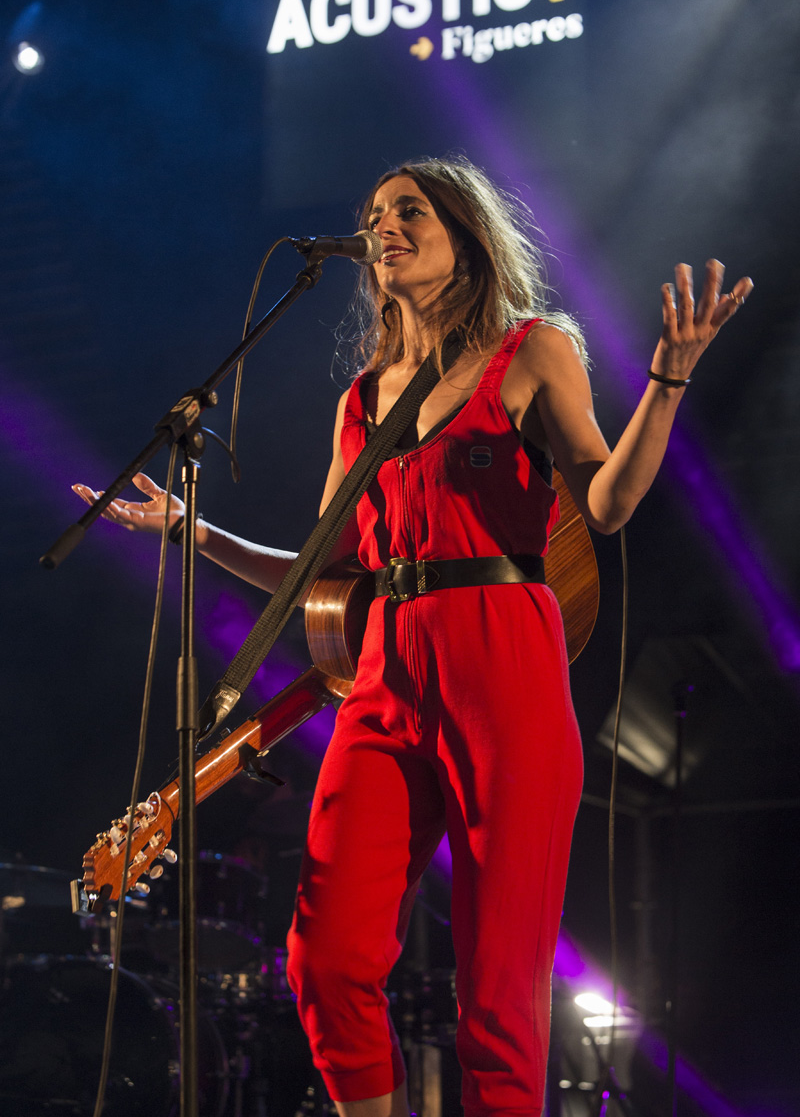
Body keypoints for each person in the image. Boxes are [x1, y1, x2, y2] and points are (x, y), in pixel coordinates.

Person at [73, 156, 752, 1117]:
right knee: (324, 958)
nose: (384, 225)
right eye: (375, 214)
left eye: (409, 210)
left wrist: (667, 382)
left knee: (499, 994)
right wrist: (192, 530)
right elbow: (317, 568)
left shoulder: (533, 350)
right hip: (385, 676)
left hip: (504, 663)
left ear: (466, 235)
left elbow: (605, 504)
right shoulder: (362, 400)